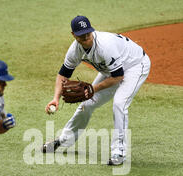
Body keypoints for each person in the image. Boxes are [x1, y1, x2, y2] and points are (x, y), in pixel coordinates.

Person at [43, 15, 151, 166]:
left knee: (119, 104)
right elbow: (63, 74)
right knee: (86, 105)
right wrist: (56, 97)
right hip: (111, 71)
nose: (86, 37)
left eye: (88, 33)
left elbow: (118, 77)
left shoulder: (104, 46)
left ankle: (118, 152)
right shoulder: (75, 50)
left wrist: (92, 89)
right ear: (73, 35)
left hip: (135, 65)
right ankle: (63, 141)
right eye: (81, 35)